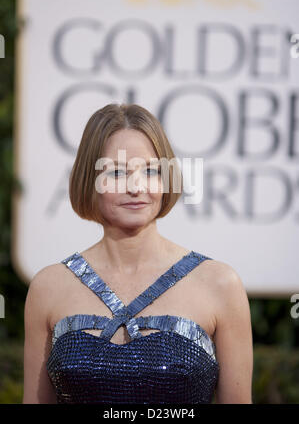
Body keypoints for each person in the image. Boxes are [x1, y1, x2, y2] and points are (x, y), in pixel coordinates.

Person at [23, 103, 253, 404]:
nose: (136, 187)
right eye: (117, 172)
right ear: (89, 180)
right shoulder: (48, 288)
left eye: (151, 171)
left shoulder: (221, 285)